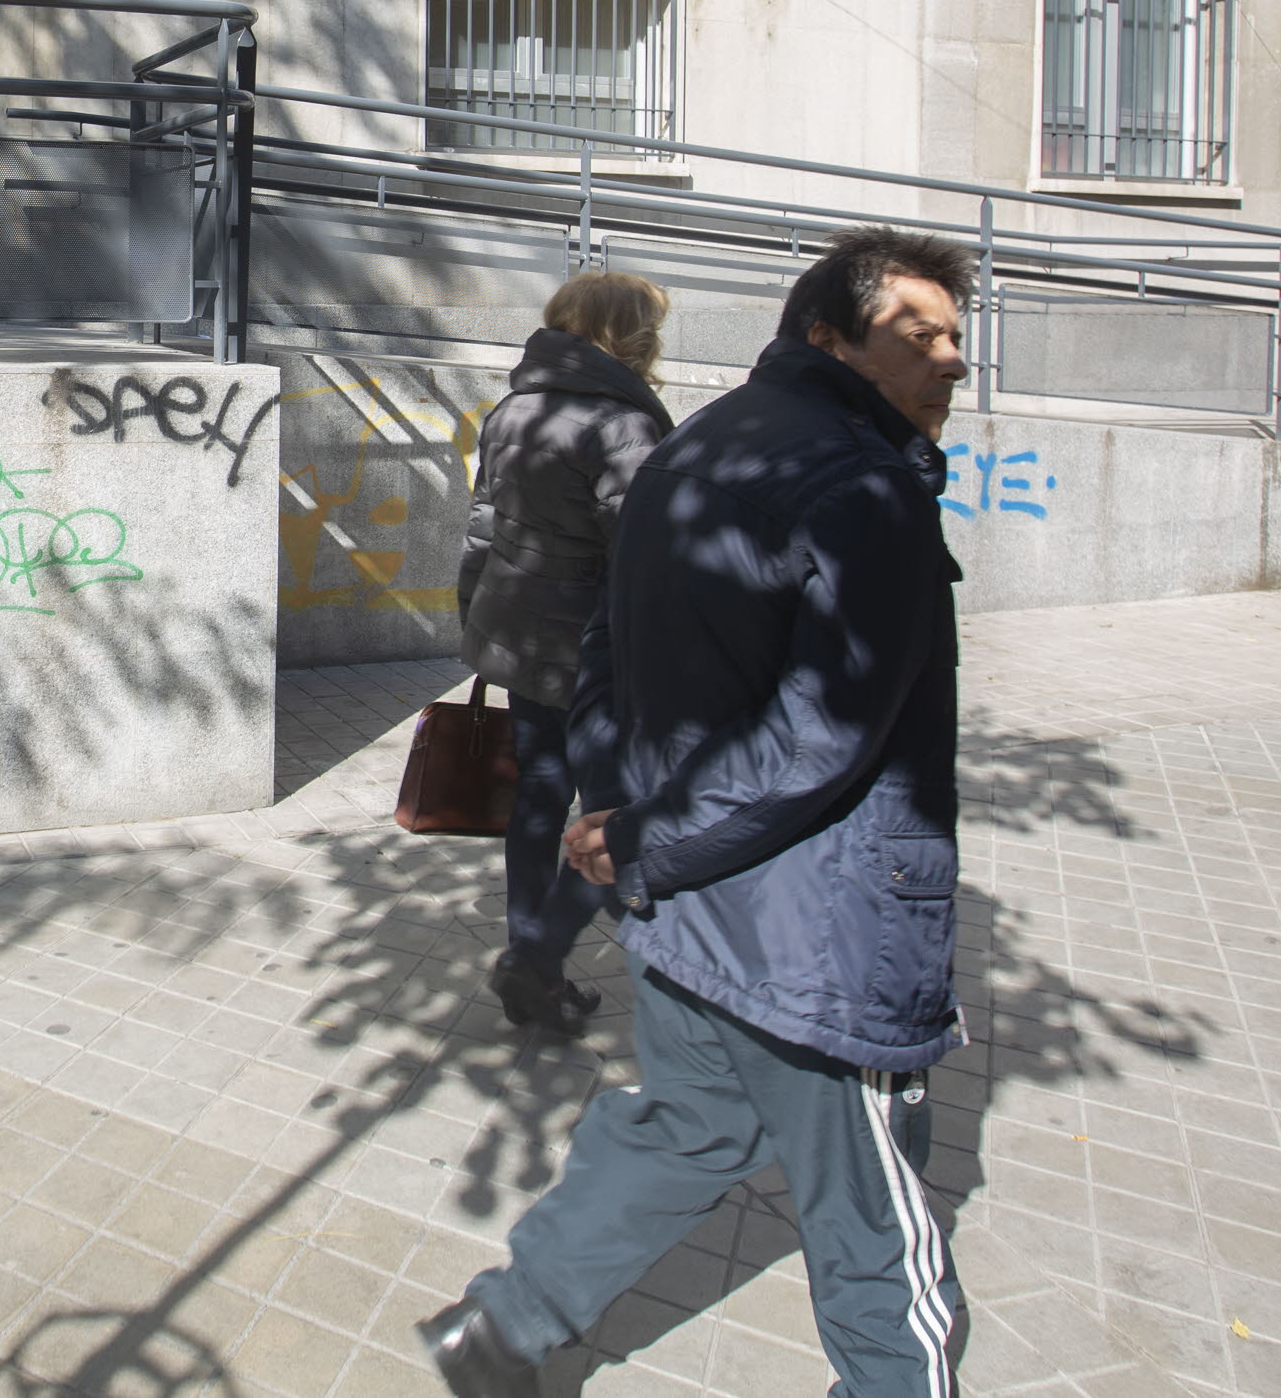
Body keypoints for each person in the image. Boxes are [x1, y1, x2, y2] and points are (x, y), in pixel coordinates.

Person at [418, 225, 978, 1398]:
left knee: (685, 1127)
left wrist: (625, 816)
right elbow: (825, 737)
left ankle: (504, 1330)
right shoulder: (857, 485)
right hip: (809, 928)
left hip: (683, 895)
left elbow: (609, 632)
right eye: (917, 334)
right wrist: (639, 828)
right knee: (877, 1221)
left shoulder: (701, 442)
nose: (951, 360)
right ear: (828, 336)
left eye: (959, 337)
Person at [455, 270, 675, 1036]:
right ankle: (551, 961)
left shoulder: (515, 408)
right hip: (594, 655)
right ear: (628, 334)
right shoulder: (623, 426)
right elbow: (648, 561)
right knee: (617, 818)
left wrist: (473, 617)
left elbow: (483, 525)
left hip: (519, 638)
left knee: (539, 802)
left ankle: (530, 958)